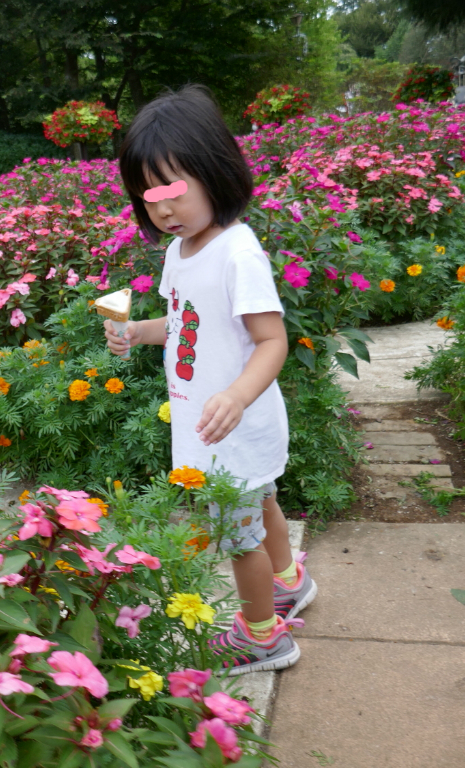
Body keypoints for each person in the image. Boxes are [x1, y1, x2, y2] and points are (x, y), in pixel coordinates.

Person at [105, 84, 316, 675]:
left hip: (234, 423)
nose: (163, 208)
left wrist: (236, 395)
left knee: (237, 535)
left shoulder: (236, 253)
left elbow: (272, 340)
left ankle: (262, 636)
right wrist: (136, 332)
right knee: (263, 503)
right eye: (149, 197)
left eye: (173, 189)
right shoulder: (181, 252)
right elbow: (183, 322)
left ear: (214, 172)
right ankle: (289, 582)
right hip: (214, 422)